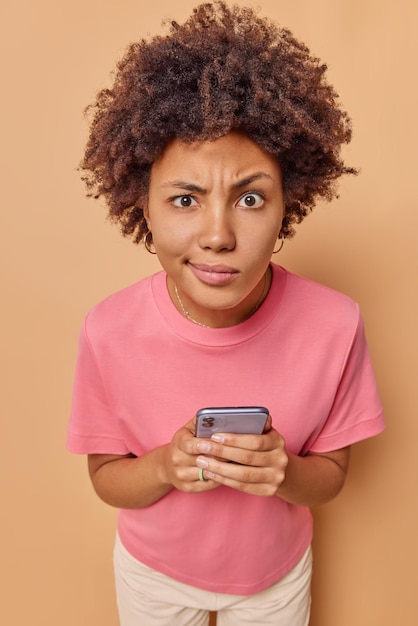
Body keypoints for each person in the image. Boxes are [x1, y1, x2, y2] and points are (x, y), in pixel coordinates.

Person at [67, 2, 385, 625]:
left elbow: (334, 476)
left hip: (274, 580)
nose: (218, 235)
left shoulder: (336, 324)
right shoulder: (107, 330)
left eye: (249, 197)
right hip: (153, 576)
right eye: (185, 198)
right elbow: (105, 477)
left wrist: (283, 471)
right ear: (144, 206)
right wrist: (163, 465)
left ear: (288, 202)